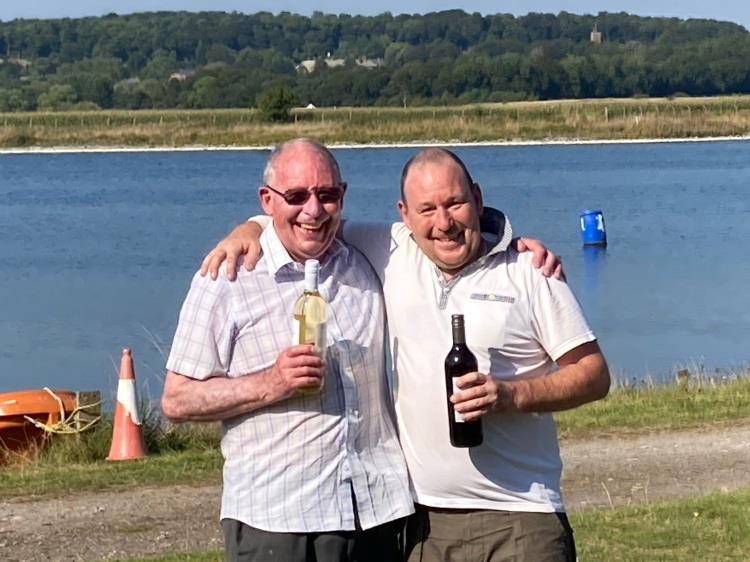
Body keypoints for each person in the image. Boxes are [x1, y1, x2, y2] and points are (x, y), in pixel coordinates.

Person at [201, 146, 608, 561]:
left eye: (455, 203)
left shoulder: (528, 270)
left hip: (521, 517)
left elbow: (594, 374)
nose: (444, 223)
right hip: (423, 525)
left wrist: (511, 396)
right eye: (426, 209)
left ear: (478, 200)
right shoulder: (391, 249)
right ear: (404, 215)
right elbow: (307, 220)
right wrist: (249, 229)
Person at [161, 138, 415, 562]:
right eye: (296, 196)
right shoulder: (227, 278)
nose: (313, 211)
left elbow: (443, 235)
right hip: (278, 522)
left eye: (326, 195)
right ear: (268, 201)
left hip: (376, 514)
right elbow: (176, 399)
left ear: (342, 196)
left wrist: (516, 249)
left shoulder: (368, 261)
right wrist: (270, 384)